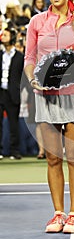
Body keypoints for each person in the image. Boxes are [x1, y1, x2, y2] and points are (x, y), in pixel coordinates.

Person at [24, 0, 74, 233]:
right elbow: (29, 58)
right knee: (53, 159)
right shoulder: (37, 22)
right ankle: (58, 214)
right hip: (45, 98)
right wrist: (32, 80)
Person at [0, 26, 24, 160]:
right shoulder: (0, 54)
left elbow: (23, 76)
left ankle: (15, 151)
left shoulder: (20, 56)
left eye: (6, 35)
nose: (2, 37)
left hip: (13, 94)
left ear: (12, 38)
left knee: (13, 123)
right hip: (0, 92)